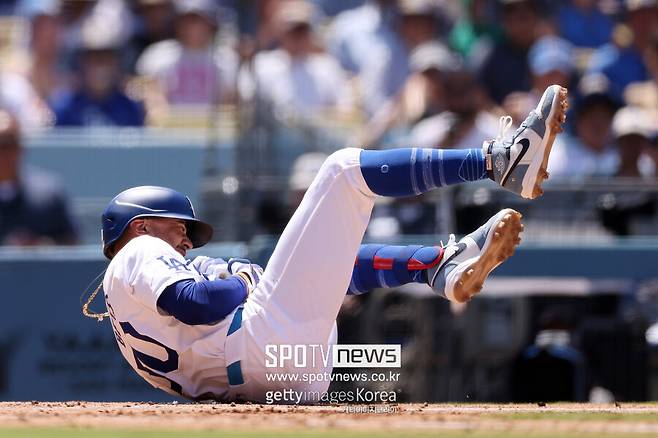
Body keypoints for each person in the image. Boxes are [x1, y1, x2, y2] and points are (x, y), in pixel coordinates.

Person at [89, 85, 568, 402]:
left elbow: (193, 308)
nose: (185, 238)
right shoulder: (138, 251)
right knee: (343, 171)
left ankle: (437, 265)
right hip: (259, 348)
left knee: (333, 263)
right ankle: (496, 161)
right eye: (178, 226)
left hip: (273, 380)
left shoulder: (128, 309)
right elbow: (193, 303)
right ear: (141, 225)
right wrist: (238, 279)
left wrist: (241, 281)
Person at [0, 110, 77, 245]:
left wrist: (42, 246)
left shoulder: (48, 193)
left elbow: (72, 243)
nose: (2, 152)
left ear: (20, 148)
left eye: (7, 144)